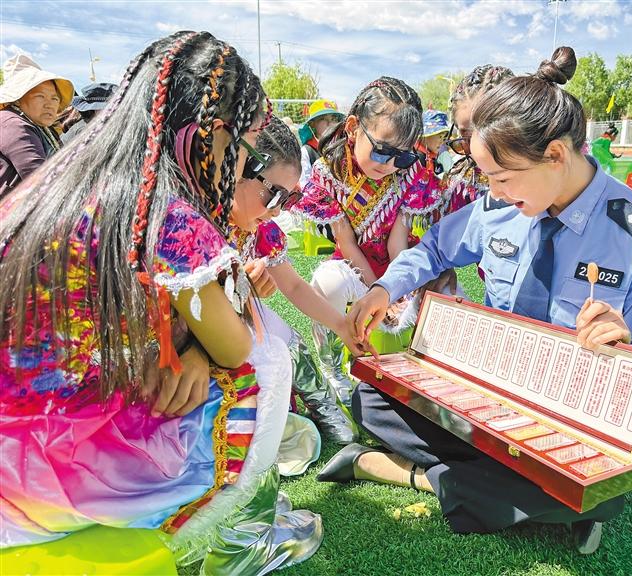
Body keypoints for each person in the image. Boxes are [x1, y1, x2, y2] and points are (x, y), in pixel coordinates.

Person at [326, 47, 632, 555]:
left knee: (606, 491)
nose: (491, 190)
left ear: (556, 154)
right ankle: (529, 497)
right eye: (488, 177)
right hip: (488, 398)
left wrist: (625, 349)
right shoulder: (499, 206)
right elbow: (434, 249)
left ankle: (408, 473)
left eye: (502, 177)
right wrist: (386, 288)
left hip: (569, 420)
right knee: (371, 398)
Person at [0, 32, 322, 574]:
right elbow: (234, 344)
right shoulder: (163, 210)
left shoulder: (60, 180)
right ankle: (229, 544)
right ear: (211, 136)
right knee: (265, 360)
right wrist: (203, 349)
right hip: (49, 478)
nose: (242, 166)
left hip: (15, 446)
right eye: (246, 148)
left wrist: (192, 343)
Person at [291, 76, 441, 409]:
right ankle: (333, 368)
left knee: (446, 287)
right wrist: (376, 292)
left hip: (399, 266)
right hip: (355, 265)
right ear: (353, 127)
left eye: (402, 156)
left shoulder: (410, 174)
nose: (390, 165)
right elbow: (346, 243)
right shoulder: (329, 172)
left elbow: (398, 244)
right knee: (327, 283)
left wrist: (395, 289)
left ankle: (432, 376)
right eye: (382, 150)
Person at [227, 117, 359, 444]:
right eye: (274, 195)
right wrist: (240, 289)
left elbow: (294, 286)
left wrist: (342, 326)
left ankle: (322, 403)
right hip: (198, 340)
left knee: (288, 340)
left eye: (287, 200)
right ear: (238, 169)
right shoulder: (199, 223)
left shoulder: (260, 229)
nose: (277, 211)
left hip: (237, 325)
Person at [440, 65, 514, 218]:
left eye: (489, 136)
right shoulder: (457, 180)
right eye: (467, 137)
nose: (477, 148)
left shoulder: (534, 180)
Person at [0, 54, 74, 196]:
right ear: (17, 99)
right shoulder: (13, 124)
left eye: (54, 98)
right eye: (40, 96)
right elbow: (41, 180)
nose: (50, 105)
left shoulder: (41, 126)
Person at [298, 99, 344, 187]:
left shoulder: (341, 147)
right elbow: (305, 185)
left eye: (333, 119)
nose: (330, 123)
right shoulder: (307, 151)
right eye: (323, 119)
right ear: (312, 124)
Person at [418, 109, 451, 177]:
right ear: (425, 135)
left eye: (444, 137)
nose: (442, 142)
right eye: (440, 137)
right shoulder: (417, 159)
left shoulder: (433, 157)